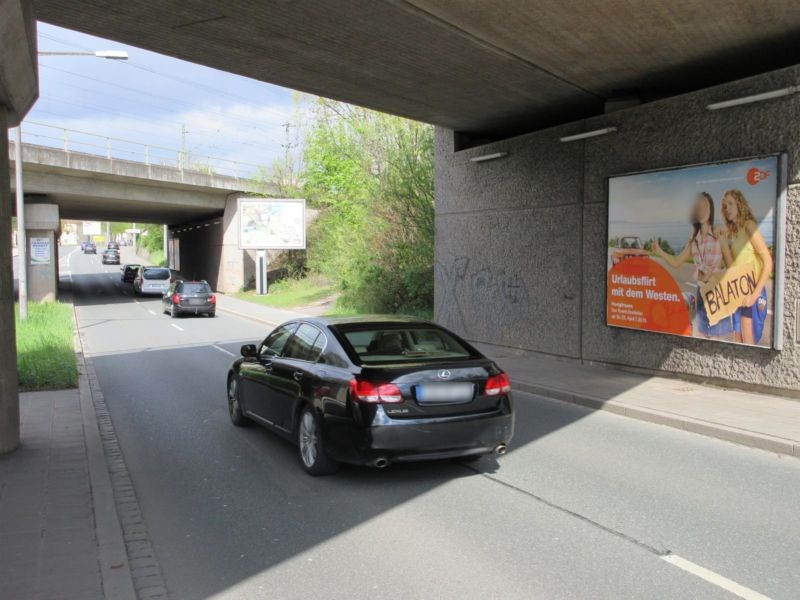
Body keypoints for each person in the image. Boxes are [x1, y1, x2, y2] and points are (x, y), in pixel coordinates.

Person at [653, 192, 735, 338]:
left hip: (717, 292)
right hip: (701, 293)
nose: (701, 208)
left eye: (704, 205)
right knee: (702, 335)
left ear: (710, 210)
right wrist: (659, 251)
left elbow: (732, 269)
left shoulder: (718, 236)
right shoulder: (693, 241)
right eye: (698, 206)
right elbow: (677, 262)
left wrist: (714, 274)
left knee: (716, 339)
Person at [719, 189, 773, 345]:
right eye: (724, 206)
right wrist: (723, 245)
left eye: (730, 203)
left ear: (739, 204)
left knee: (748, 342)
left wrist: (754, 295)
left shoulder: (749, 226)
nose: (726, 208)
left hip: (752, 290)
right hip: (739, 291)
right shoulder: (734, 234)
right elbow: (732, 269)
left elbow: (768, 262)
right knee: (737, 340)